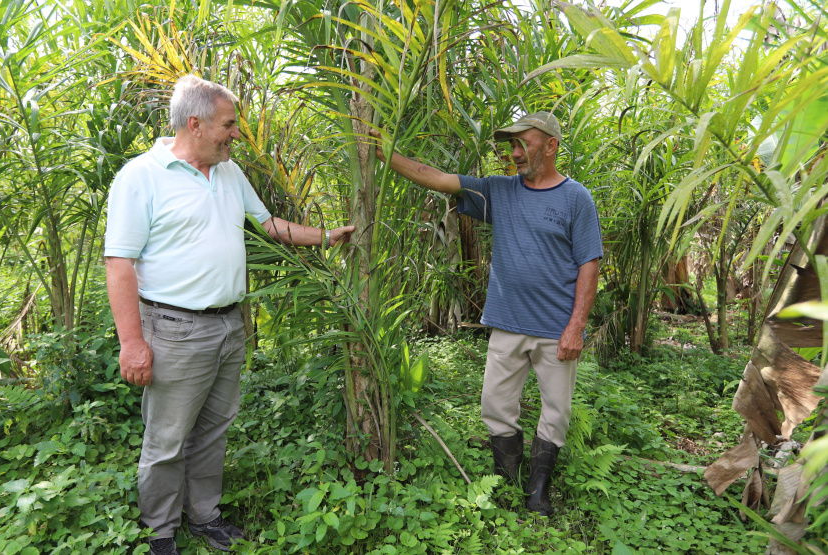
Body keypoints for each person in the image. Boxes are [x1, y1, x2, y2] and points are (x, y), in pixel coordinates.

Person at [104, 75, 354, 555]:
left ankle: (204, 516)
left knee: (215, 428)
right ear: (194, 124)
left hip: (229, 325)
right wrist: (132, 343)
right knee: (169, 437)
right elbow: (120, 264)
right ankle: (160, 532)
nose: (236, 134)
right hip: (173, 329)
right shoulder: (141, 176)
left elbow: (269, 225)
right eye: (229, 125)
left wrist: (325, 236)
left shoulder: (229, 173)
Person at [371, 111, 601, 517]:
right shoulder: (498, 192)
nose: (514, 153)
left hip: (555, 329)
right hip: (508, 323)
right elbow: (436, 177)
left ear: (551, 145)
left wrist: (576, 327)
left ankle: (538, 492)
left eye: (522, 143)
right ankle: (509, 484)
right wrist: (385, 152)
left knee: (557, 412)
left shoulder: (576, 198)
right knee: (495, 405)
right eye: (511, 145)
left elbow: (589, 264)